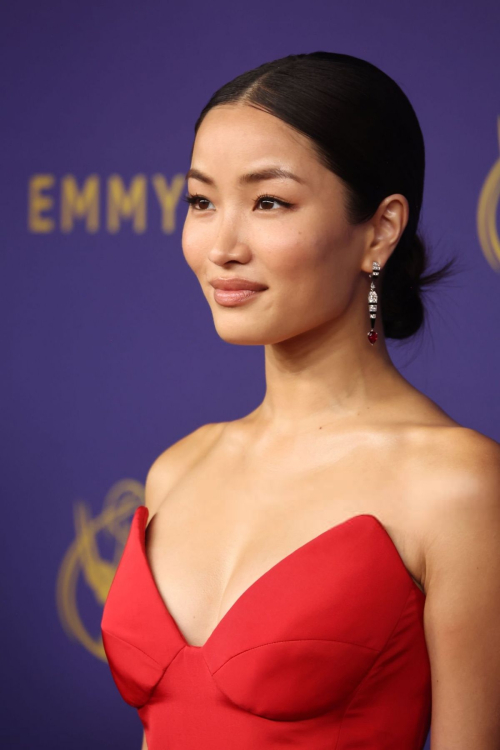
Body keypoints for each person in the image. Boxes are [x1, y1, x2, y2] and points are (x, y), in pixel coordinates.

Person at [101, 52, 500, 750]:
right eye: (201, 202)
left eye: (269, 202)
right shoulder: (179, 467)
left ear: (378, 230)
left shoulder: (458, 486)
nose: (221, 246)